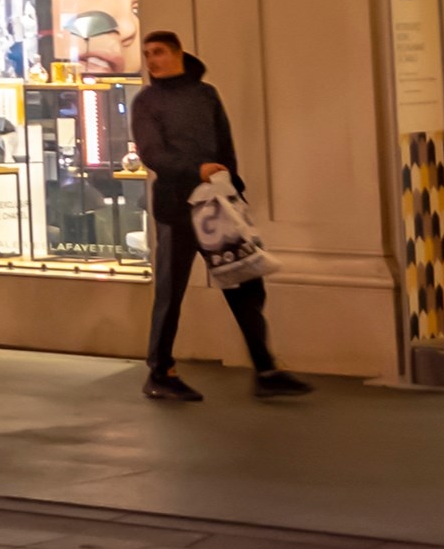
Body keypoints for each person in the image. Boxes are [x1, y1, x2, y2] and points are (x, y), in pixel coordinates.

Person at [128, 29, 311, 402]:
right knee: (170, 291)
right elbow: (152, 155)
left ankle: (267, 370)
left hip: (217, 205)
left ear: (179, 53)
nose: (152, 60)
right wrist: (197, 170)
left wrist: (233, 191)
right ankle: (160, 371)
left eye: (159, 52)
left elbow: (225, 146)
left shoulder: (205, 94)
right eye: (147, 54)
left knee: (245, 285)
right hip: (176, 209)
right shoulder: (147, 101)